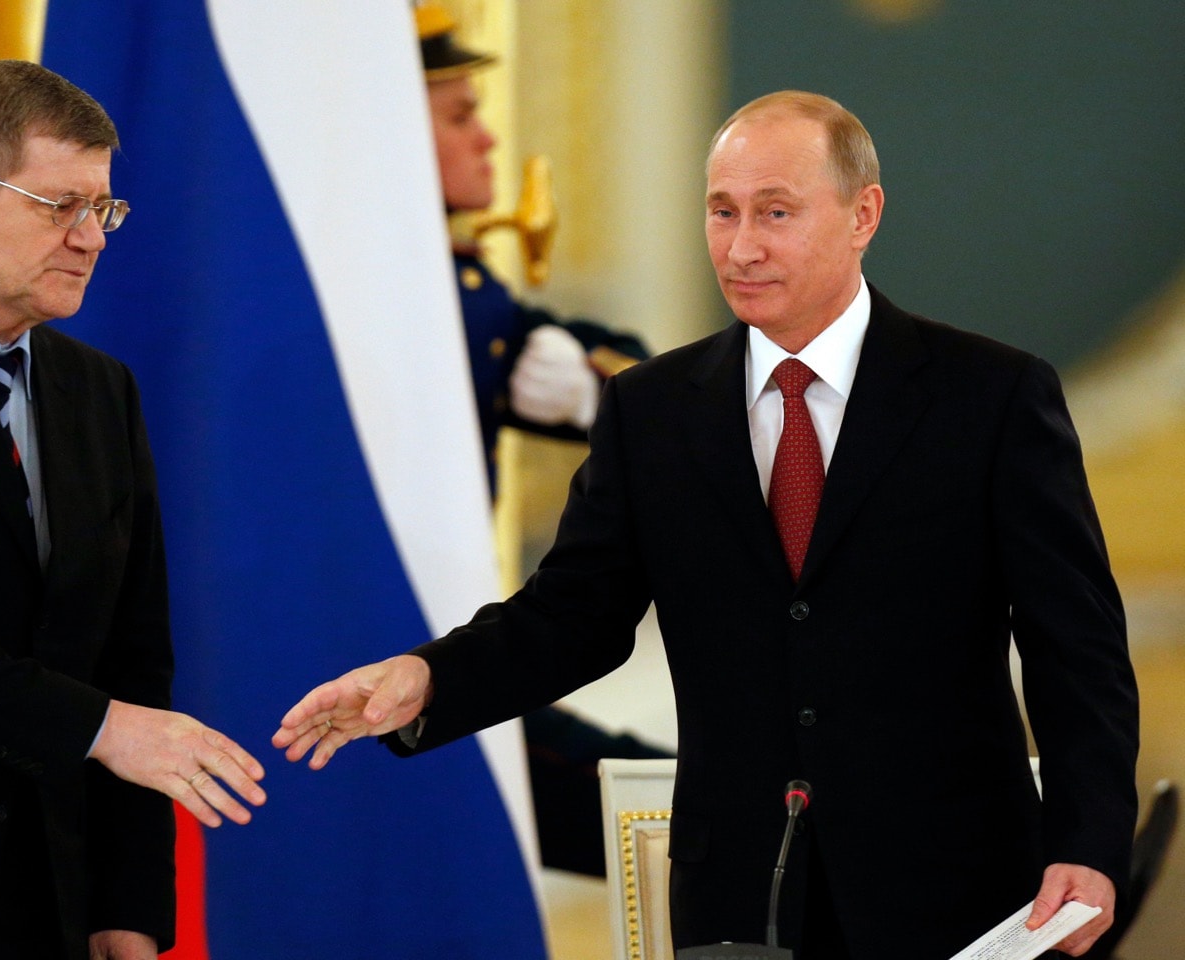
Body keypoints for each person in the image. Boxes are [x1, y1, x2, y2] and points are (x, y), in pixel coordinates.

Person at [275, 90, 1140, 959]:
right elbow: (572, 616)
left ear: (863, 214)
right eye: (722, 212)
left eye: (776, 213)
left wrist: (1089, 847)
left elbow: (1079, 648)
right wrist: (426, 679)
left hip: (960, 892)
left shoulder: (988, 396)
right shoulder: (652, 409)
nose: (743, 246)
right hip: (740, 898)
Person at [0, 60, 266, 960]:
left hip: (58, 911)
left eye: (101, 209)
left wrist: (130, 908)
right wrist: (100, 730)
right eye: (57, 205)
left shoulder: (99, 393)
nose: (91, 237)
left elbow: (134, 659)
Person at [418, 1, 668, 878]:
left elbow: (656, 388)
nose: (489, 138)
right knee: (668, 815)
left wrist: (598, 386)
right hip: (398, 668)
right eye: (458, 115)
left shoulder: (462, 286)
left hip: (461, 663)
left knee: (670, 802)